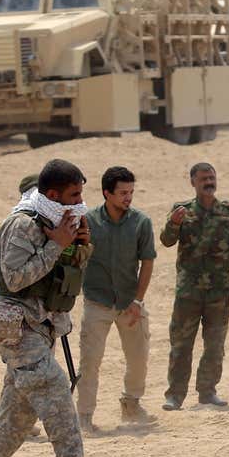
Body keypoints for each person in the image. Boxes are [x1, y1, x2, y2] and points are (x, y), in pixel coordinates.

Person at [0, 159, 101, 457]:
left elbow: (64, 278)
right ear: (52, 193)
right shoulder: (22, 224)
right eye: (73, 195)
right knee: (52, 386)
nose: (79, 201)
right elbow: (15, 279)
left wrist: (79, 247)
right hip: (15, 325)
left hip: (42, 325)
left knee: (22, 405)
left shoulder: (60, 222)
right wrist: (57, 244)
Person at [159, 162, 229, 411]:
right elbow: (166, 241)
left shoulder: (228, 212)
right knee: (181, 345)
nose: (209, 182)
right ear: (193, 182)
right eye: (203, 179)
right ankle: (175, 396)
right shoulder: (182, 211)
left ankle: (208, 392)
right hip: (188, 292)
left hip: (219, 293)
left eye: (211, 177)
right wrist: (174, 223)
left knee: (215, 344)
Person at [76, 166, 158, 432]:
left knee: (138, 359)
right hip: (97, 302)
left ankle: (131, 405)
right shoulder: (87, 221)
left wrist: (138, 301)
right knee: (90, 362)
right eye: (123, 192)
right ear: (106, 193)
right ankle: (85, 416)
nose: (128, 197)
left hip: (129, 303)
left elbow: (147, 262)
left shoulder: (141, 223)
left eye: (131, 192)